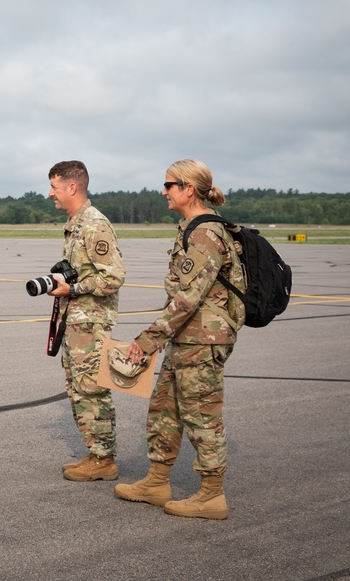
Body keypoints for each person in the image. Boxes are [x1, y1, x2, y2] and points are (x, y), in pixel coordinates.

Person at [114, 159, 245, 520]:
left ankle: (211, 495)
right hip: (187, 336)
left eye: (170, 184)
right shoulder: (191, 227)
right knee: (165, 408)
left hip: (202, 339)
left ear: (189, 189)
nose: (164, 191)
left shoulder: (205, 233)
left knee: (201, 415)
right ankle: (157, 482)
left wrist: (148, 340)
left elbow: (188, 297)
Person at [45, 161, 127, 482]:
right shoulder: (76, 224)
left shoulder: (94, 225)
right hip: (77, 320)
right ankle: (96, 453)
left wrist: (73, 288)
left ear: (72, 187)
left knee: (92, 388)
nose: (50, 193)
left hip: (91, 322)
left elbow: (114, 276)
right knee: (79, 387)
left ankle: (104, 460)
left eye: (54, 186)